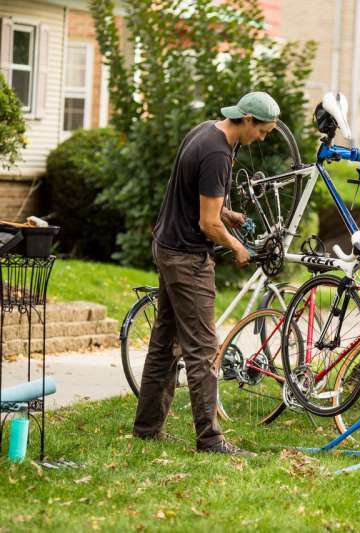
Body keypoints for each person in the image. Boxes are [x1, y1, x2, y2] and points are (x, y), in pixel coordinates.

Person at [132, 92, 281, 455]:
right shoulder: (217, 152)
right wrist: (236, 245)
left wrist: (227, 214)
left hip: (167, 245)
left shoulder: (206, 132)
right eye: (261, 131)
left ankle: (147, 428)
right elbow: (206, 223)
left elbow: (195, 195)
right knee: (203, 350)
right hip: (187, 258)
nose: (261, 138)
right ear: (246, 119)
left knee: (165, 344)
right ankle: (211, 440)